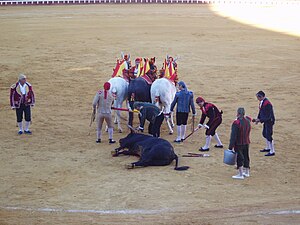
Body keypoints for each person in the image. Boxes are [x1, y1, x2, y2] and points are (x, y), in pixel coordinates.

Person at [228, 108, 252, 180]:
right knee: (246, 156)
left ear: (238, 113)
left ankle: (241, 174)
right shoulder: (247, 121)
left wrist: (230, 147)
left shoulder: (236, 123)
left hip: (239, 142)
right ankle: (247, 172)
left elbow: (233, 136)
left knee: (239, 157)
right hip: (246, 141)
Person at [253, 91, 275, 156]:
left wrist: (259, 120)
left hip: (269, 121)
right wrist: (258, 118)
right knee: (264, 134)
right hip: (266, 120)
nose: (257, 98)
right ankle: (268, 148)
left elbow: (268, 116)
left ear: (261, 97)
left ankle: (272, 151)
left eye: (258, 97)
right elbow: (261, 112)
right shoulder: (263, 102)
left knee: (268, 135)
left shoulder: (267, 104)